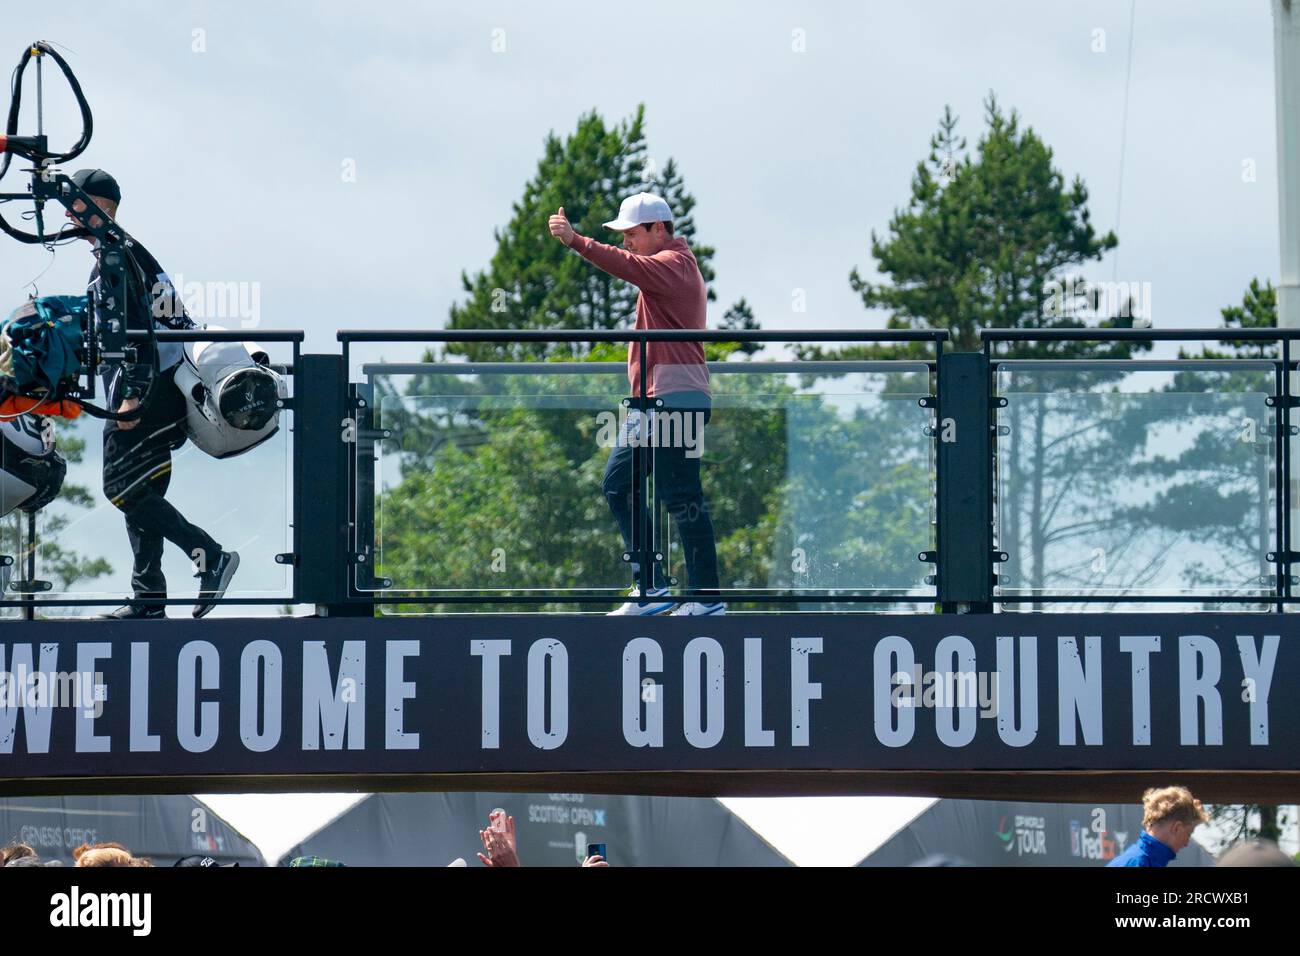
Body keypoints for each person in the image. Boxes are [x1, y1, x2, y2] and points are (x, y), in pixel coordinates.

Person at [67, 168, 239, 620]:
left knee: (119, 487)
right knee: (140, 492)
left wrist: (132, 396)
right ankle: (149, 601)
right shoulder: (123, 251)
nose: (67, 213)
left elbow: (140, 333)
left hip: (147, 390)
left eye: (76, 204)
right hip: (162, 387)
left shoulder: (116, 256)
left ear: (100, 208)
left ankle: (210, 554)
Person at [549, 193, 723, 616]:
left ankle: (704, 598)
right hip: (657, 402)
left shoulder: (675, 266)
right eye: (623, 235)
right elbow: (631, 263)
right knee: (620, 483)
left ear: (658, 229)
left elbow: (626, 266)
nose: (627, 242)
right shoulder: (670, 267)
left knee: (679, 493)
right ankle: (654, 587)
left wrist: (577, 240)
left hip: (673, 400)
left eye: (632, 233)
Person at [1107, 786, 1210, 867]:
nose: (1186, 843)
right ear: (1177, 828)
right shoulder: (1139, 863)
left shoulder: (1139, 860)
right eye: (1188, 834)